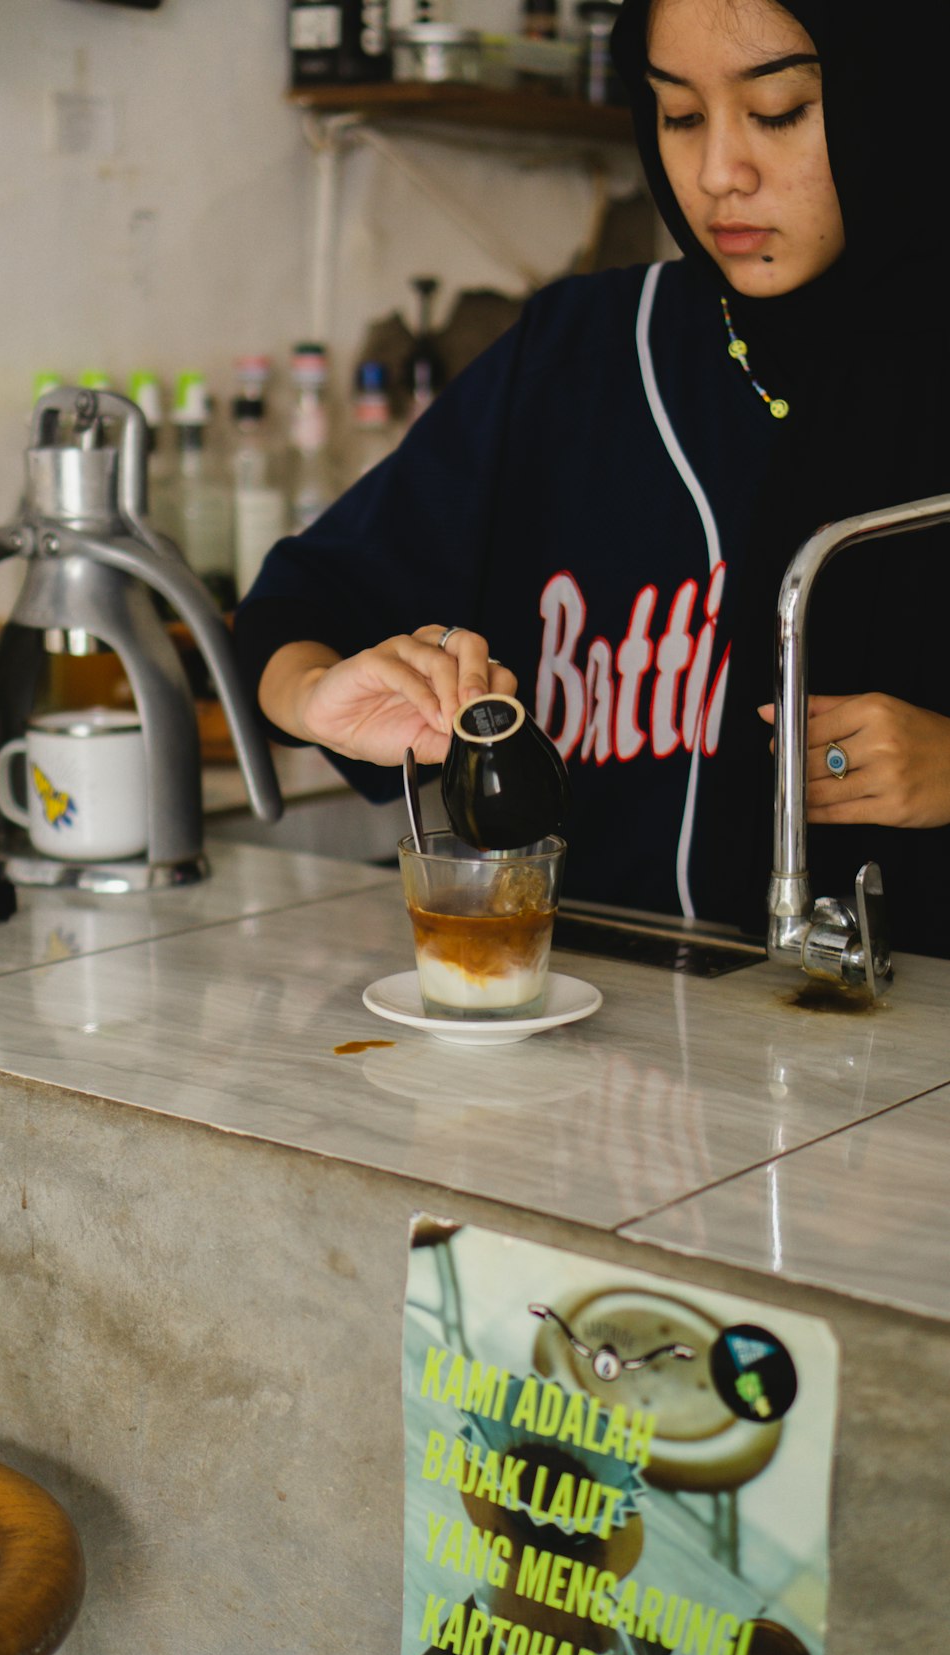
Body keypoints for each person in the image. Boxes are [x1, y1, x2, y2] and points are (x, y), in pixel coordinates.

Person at [235, 0, 950, 956]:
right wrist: (316, 696)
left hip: (893, 1073)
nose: (716, 174)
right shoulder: (578, 354)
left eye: (779, 112)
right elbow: (293, 612)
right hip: (592, 1052)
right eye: (680, 116)